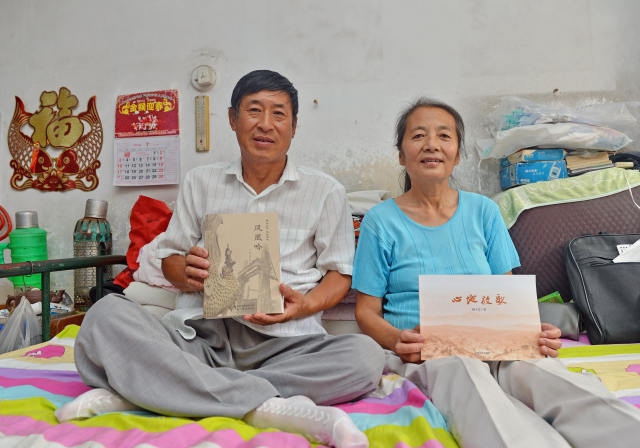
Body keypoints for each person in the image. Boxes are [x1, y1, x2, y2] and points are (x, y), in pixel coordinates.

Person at [57, 70, 384, 448]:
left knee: (365, 357)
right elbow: (169, 256)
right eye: (254, 110)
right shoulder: (201, 182)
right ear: (232, 119)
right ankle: (266, 406)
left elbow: (340, 273)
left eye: (279, 114)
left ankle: (148, 392)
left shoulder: (326, 191)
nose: (266, 124)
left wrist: (305, 305)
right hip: (200, 339)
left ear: (294, 126)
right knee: (105, 315)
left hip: (287, 346)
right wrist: (185, 272)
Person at [351, 97, 640, 448]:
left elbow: (506, 297)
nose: (431, 144)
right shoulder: (380, 221)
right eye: (418, 135)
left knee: (549, 375)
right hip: (430, 354)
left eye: (444, 136)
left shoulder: (484, 211)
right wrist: (398, 340)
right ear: (401, 154)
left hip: (495, 343)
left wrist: (530, 330)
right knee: (467, 378)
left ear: (457, 154)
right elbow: (366, 311)